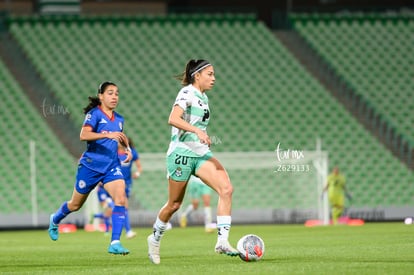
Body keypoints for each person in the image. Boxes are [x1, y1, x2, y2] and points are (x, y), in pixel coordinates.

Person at [147, 59, 239, 265]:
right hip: (181, 154)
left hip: (200, 153)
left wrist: (203, 136)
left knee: (226, 189)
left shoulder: (203, 98)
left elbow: (197, 125)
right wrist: (197, 131)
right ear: (197, 76)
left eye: (214, 74)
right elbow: (173, 118)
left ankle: (222, 241)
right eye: (210, 74)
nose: (214, 78)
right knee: (174, 204)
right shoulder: (186, 93)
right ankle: (154, 238)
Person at [48, 81, 132, 255]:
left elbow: (119, 138)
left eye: (116, 93)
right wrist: (107, 134)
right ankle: (55, 219)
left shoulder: (119, 119)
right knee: (75, 204)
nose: (114, 96)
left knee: (121, 198)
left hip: (111, 166)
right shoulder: (94, 115)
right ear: (101, 96)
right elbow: (83, 135)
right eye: (110, 93)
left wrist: (127, 149)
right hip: (91, 166)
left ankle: (115, 242)